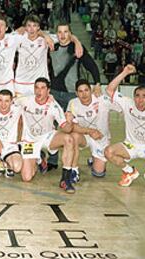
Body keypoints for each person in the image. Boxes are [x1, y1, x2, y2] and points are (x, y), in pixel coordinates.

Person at [47, 22, 100, 171]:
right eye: (60, 32)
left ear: (70, 33)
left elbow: (91, 65)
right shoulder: (52, 47)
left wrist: (97, 83)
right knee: (54, 126)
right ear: (56, 34)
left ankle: (82, 159)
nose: (62, 35)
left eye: (66, 32)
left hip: (71, 95)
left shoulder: (76, 48)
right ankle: (52, 161)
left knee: (72, 128)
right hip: (55, 94)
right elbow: (36, 33)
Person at [16, 78, 75, 193]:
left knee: (69, 139)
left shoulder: (54, 106)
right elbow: (5, 101)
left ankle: (65, 179)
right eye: (37, 88)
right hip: (29, 141)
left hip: (47, 138)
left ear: (48, 91)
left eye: (43, 88)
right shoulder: (25, 100)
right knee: (27, 177)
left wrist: (69, 121)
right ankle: (39, 158)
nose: (39, 91)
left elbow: (66, 129)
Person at [66, 79, 120, 182]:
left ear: (91, 90)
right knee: (73, 136)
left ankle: (93, 158)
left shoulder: (102, 99)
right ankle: (74, 170)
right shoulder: (72, 103)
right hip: (85, 136)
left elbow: (123, 108)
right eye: (80, 91)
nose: (84, 94)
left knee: (98, 174)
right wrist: (90, 131)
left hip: (101, 139)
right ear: (76, 93)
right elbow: (71, 127)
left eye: (86, 90)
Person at [14, 15, 50, 97]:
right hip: (21, 83)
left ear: (38, 27)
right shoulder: (19, 39)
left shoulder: (45, 39)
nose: (31, 29)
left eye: (34, 26)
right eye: (29, 26)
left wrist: (77, 42)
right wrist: (16, 31)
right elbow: (3, 37)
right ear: (25, 27)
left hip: (39, 84)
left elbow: (66, 36)